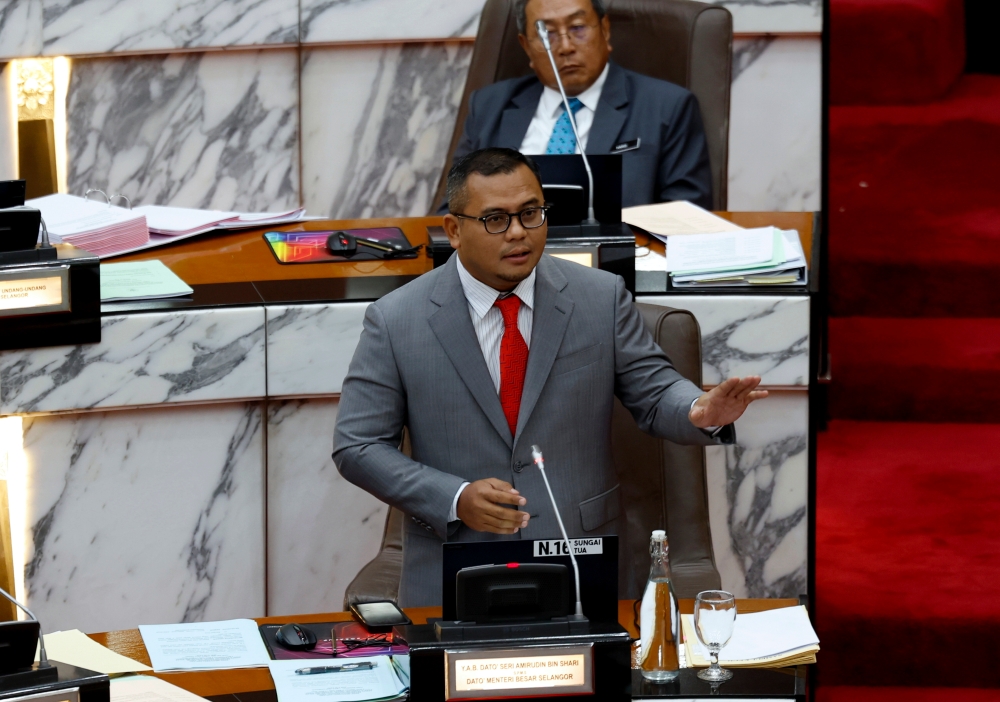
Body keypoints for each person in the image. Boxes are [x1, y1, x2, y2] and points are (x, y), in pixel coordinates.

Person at [334, 148, 764, 607]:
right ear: (455, 230)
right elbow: (357, 445)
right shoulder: (396, 319)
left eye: (531, 213)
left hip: (580, 559)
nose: (518, 232)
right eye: (496, 219)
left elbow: (656, 390)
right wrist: (454, 497)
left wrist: (700, 409)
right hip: (452, 564)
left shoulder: (599, 297)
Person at [448, 0, 714, 209]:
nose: (565, 47)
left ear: (605, 30)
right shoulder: (488, 106)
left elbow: (686, 217)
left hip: (615, 267)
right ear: (526, 47)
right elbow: (453, 208)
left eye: (577, 28)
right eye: (547, 34)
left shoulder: (667, 107)